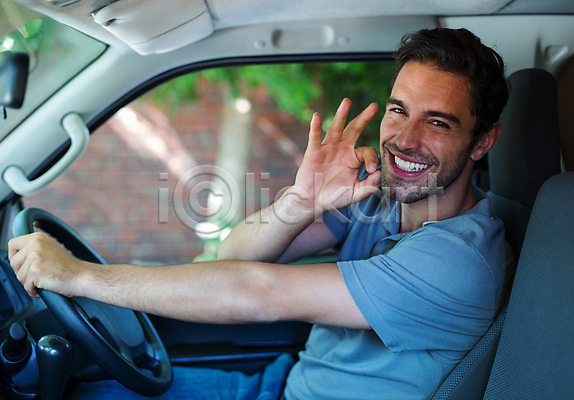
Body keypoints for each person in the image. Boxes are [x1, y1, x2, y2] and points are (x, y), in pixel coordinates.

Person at [8, 27, 514, 400]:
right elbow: (236, 254)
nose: (405, 139)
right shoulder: (379, 199)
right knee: (83, 393)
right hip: (281, 386)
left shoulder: (460, 262)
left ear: (482, 141)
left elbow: (258, 292)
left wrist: (78, 276)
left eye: (439, 122)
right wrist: (300, 202)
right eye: (399, 109)